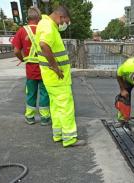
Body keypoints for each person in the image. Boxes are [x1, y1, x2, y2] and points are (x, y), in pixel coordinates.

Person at [34, 6, 85, 147]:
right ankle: (69, 138)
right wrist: (55, 67)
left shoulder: (44, 24)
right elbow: (44, 45)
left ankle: (58, 134)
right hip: (57, 78)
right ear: (61, 17)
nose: (65, 25)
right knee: (66, 107)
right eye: (66, 22)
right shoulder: (49, 27)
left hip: (50, 78)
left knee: (56, 107)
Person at [11, 6, 51, 125]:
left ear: (28, 17)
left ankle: (30, 117)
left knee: (31, 93)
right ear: (39, 17)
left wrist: (23, 59)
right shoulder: (44, 30)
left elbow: (16, 51)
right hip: (44, 69)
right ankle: (45, 118)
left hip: (30, 70)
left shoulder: (22, 31)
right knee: (44, 93)